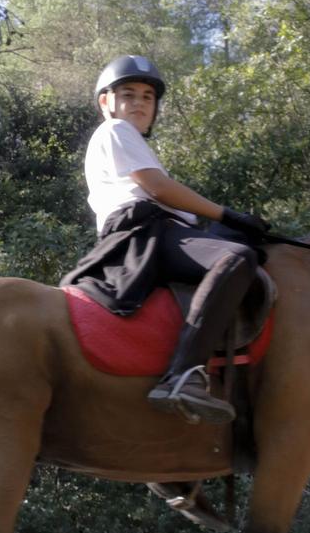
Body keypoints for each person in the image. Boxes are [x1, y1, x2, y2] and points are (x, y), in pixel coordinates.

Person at [61, 54, 271, 424]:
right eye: (128, 94)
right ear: (106, 103)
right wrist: (225, 214)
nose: (139, 103)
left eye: (147, 96)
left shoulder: (125, 140)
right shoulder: (116, 131)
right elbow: (157, 188)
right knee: (235, 259)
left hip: (161, 230)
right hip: (144, 233)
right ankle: (184, 374)